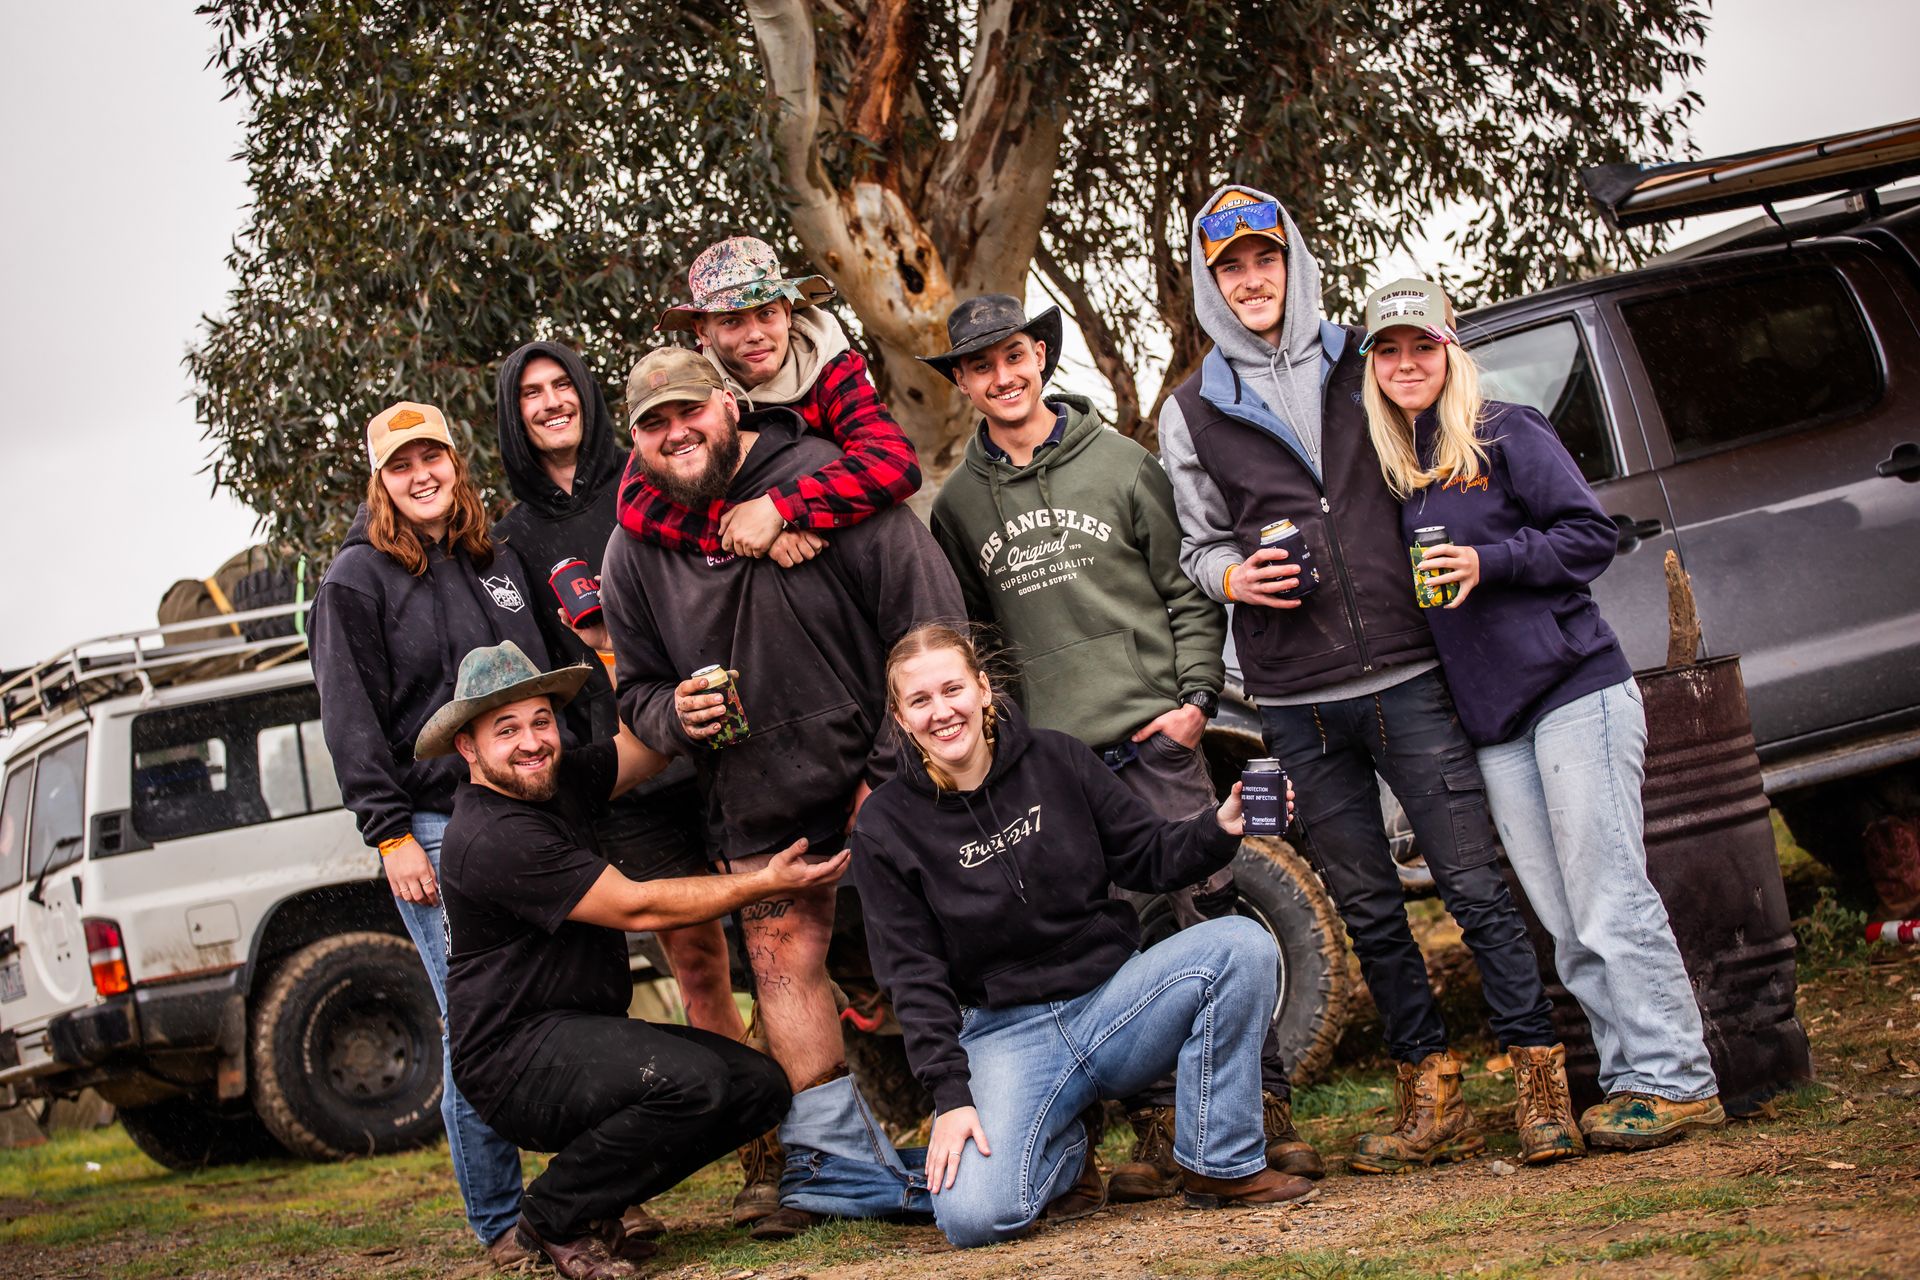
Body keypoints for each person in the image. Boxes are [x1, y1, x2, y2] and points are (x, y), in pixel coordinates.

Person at [1157, 185, 1573, 1171]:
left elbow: (1449, 447)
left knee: (1473, 880)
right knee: (1373, 906)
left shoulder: (1368, 357)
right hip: (1295, 697)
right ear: (1210, 284)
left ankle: (1539, 1076)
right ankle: (1431, 1095)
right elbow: (1196, 545)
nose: (1252, 280)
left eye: (1266, 258)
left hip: (1411, 668)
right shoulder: (1192, 407)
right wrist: (1232, 575)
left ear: (1294, 261)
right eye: (1231, 268)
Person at [921, 293, 1323, 1195]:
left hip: (1154, 739)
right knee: (1113, 944)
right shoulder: (956, 509)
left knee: (1208, 913)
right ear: (964, 385)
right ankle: (1156, 1133)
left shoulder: (1123, 464)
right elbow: (979, 641)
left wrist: (1191, 700)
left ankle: (1264, 1113)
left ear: (1039, 359)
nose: (1004, 376)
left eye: (1015, 356)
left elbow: (1186, 588)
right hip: (1052, 768)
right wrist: (1011, 746)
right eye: (982, 366)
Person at [598, 347, 965, 1236]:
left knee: (955, 938)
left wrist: (891, 778)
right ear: (636, 444)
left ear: (730, 403)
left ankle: (1007, 1120)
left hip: (889, 771)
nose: (676, 433)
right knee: (781, 962)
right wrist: (672, 714)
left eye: (690, 411)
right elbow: (636, 691)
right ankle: (834, 1164)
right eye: (654, 424)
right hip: (756, 793)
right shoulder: (632, 551)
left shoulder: (830, 484)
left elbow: (928, 624)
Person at [1359, 276, 1726, 1153]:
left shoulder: (1505, 431)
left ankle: (1680, 1078)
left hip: (1573, 693)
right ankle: (1631, 1078)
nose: (1407, 363)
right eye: (1389, 350)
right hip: (1492, 724)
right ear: (1372, 367)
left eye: (1422, 345)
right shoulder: (1392, 470)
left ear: (1452, 348)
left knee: (1607, 893)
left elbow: (1593, 535)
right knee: (1562, 915)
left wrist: (1492, 561)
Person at [852, 623, 1315, 1248]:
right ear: (901, 719)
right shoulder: (885, 825)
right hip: (1005, 1034)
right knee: (973, 1219)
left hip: (1115, 1005)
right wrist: (952, 1096)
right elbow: (912, 974)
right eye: (920, 701)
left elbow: (1150, 854)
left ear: (984, 689)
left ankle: (1220, 1163)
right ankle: (1065, 1144)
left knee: (1242, 946)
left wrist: (1221, 823)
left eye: (952, 689)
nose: (942, 712)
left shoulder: (1057, 758)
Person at [416, 640, 840, 1279]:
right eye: (506, 730)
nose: (532, 741)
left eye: (540, 721)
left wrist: (688, 711)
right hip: (514, 1060)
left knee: (758, 1087)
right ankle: (555, 1214)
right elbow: (639, 908)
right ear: (468, 749)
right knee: (692, 1085)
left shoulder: (554, 781)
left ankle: (597, 1202)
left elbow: (641, 753)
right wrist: (764, 882)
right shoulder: (493, 836)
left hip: (582, 1034)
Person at [491, 339, 771, 1222]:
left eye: (561, 386)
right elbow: (535, 669)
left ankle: (810, 1133)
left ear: (589, 397)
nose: (550, 403)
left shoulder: (654, 475)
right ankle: (757, 1152)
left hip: (729, 748)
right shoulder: (513, 538)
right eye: (530, 394)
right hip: (628, 772)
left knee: (777, 940)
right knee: (696, 960)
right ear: (515, 415)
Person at [309, 402, 551, 1265]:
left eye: (433, 458)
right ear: (380, 480)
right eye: (401, 464)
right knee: (477, 1020)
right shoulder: (355, 582)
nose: (422, 476)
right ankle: (500, 1219)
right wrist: (389, 836)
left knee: (552, 1006)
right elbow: (350, 722)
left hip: (528, 817)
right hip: (436, 828)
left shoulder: (496, 559)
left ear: (456, 464)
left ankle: (577, 1196)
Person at [624, 234, 922, 562]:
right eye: (732, 321)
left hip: (848, 551)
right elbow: (636, 500)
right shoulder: (689, 386)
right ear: (702, 331)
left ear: (788, 311)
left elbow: (892, 462)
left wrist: (782, 509)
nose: (755, 334)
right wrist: (737, 528)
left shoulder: (831, 367)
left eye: (766, 313)